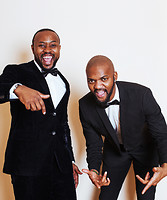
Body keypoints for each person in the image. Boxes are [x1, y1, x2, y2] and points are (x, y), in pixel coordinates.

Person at [0, 28, 82, 200]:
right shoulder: (17, 71)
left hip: (60, 166)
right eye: (41, 45)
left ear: (59, 48)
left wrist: (70, 160)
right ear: (33, 49)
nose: (47, 50)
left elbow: (62, 124)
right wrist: (18, 89)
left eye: (53, 45)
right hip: (27, 166)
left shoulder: (63, 82)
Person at [79, 55, 167, 200]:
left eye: (104, 79)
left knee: (146, 196)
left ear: (114, 76)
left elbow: (161, 133)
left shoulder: (142, 95)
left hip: (145, 150)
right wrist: (94, 170)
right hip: (115, 151)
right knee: (106, 197)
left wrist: (165, 166)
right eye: (91, 81)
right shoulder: (85, 105)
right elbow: (94, 143)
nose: (98, 86)